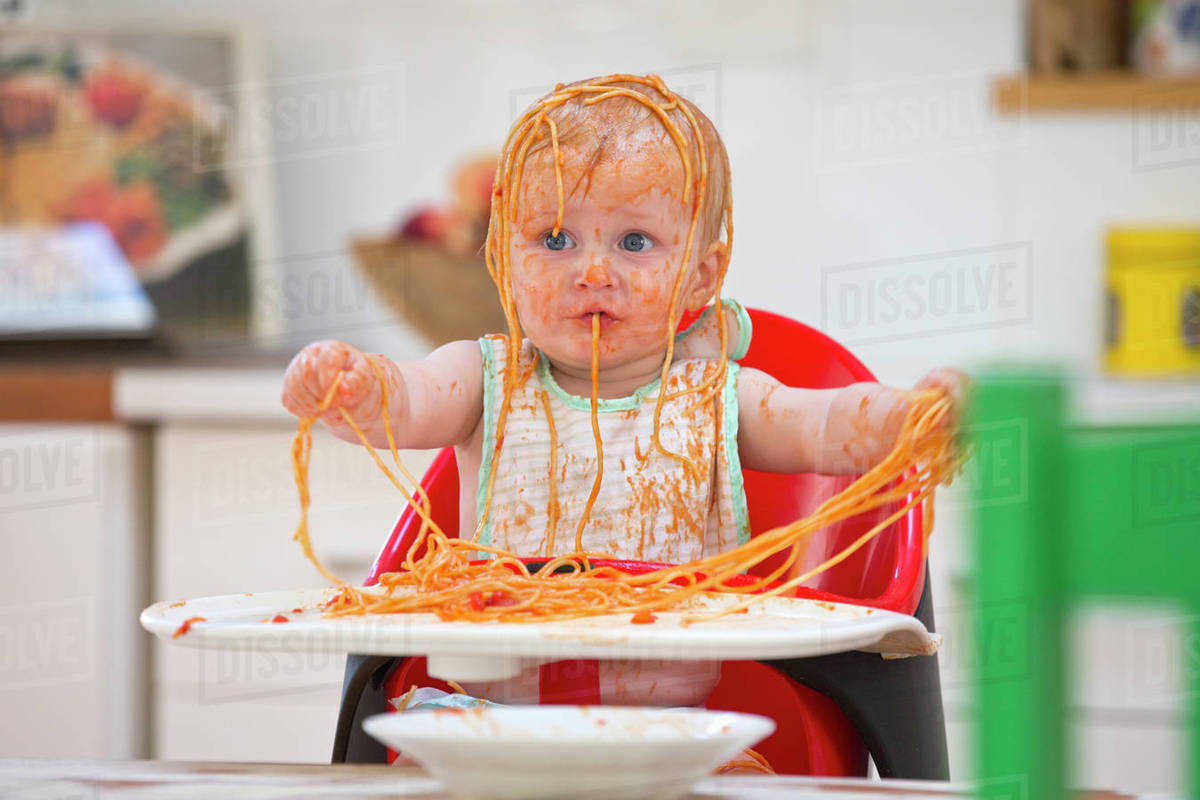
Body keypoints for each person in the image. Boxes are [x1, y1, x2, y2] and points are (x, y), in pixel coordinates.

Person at [282, 74, 968, 708]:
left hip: (676, 735)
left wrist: (914, 417)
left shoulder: (718, 398)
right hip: (490, 721)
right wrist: (353, 389)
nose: (592, 270)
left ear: (702, 275)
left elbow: (827, 424)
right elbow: (403, 402)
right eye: (555, 239)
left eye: (634, 241)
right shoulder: (483, 380)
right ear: (504, 258)